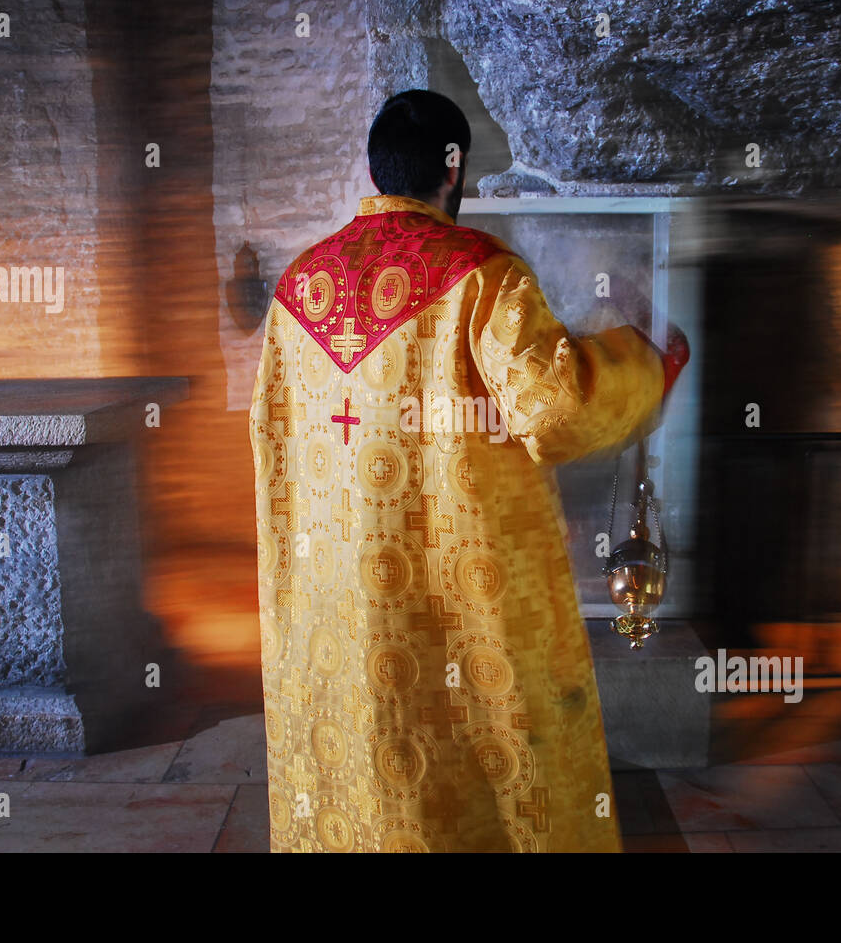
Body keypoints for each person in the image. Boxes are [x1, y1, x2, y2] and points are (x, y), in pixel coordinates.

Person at [248, 88, 688, 852]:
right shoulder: (481, 274)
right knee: (481, 754)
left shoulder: (299, 288)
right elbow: (558, 410)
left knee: (360, 751)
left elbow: (271, 437)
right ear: (454, 173)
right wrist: (644, 360)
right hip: (456, 589)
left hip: (337, 595)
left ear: (373, 169)